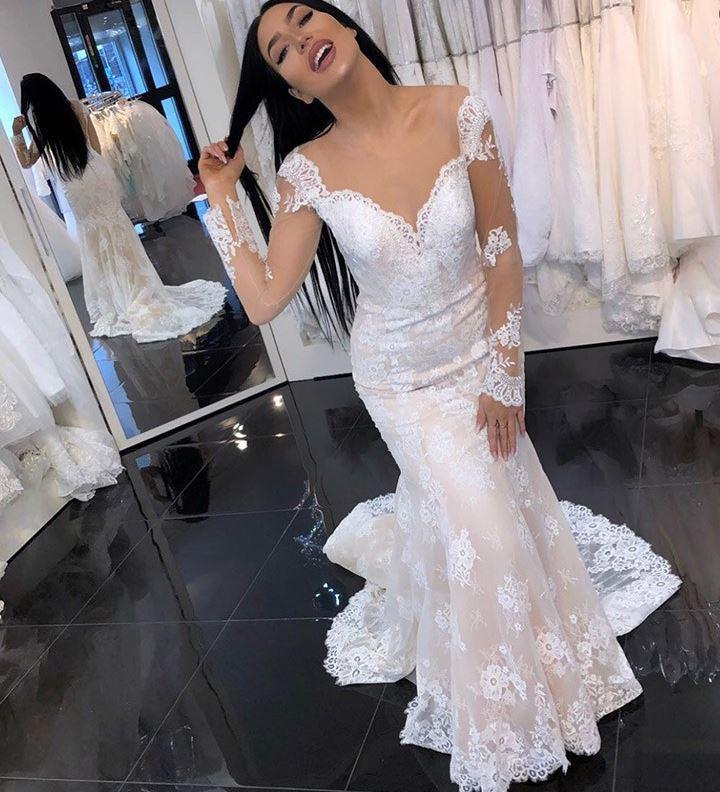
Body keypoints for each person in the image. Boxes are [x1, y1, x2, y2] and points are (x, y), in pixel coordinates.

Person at [198, 3, 681, 790]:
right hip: (399, 379)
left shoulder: (456, 109)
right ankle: (508, 724)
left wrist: (503, 375)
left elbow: (502, 246)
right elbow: (261, 300)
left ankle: (527, 648)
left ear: (344, 27)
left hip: (478, 355)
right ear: (290, 86)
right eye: (280, 51)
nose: (300, 41)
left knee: (491, 504)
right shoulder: (305, 171)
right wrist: (220, 198)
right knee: (484, 524)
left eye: (304, 20)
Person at [12, 73, 226, 343]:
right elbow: (95, 148)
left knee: (94, 236)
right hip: (95, 174)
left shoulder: (41, 128)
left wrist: (17, 134)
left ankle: (116, 294)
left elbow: (27, 161)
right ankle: (137, 286)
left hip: (74, 185)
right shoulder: (74, 107)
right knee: (118, 228)